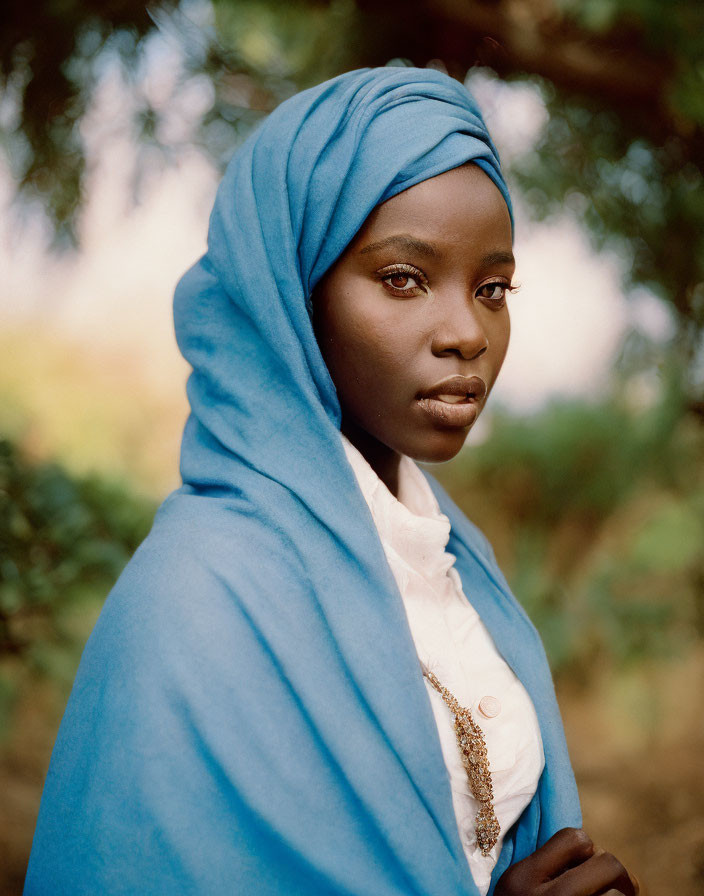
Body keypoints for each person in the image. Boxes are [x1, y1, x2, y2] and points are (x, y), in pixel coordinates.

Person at [24, 67, 639, 895]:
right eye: (403, 278)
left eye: (491, 288)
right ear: (292, 295)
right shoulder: (197, 598)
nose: (466, 332)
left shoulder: (459, 570)